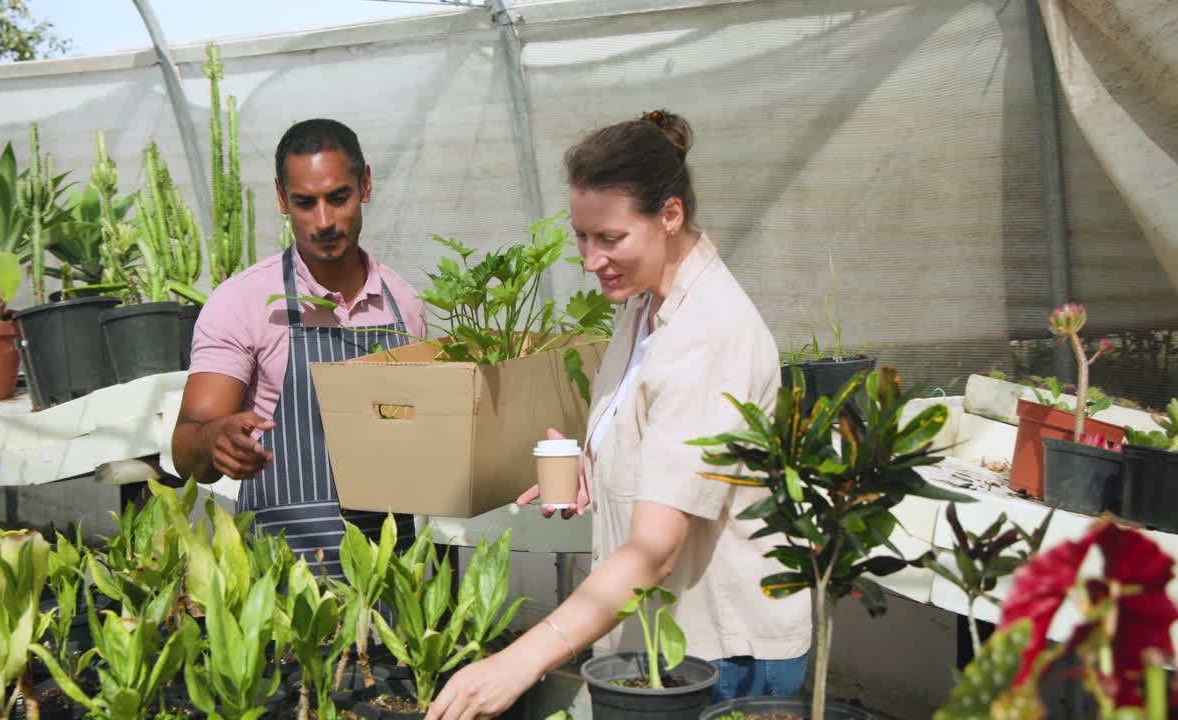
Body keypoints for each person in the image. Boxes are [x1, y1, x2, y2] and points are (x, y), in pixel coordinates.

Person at [425, 110, 811, 720]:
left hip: (724, 658)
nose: (590, 259)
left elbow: (657, 549)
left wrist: (519, 661)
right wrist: (598, 465)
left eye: (610, 238)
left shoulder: (708, 333)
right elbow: (665, 445)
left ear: (671, 215)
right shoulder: (643, 308)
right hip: (667, 642)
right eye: (583, 236)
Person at [171, 118, 426, 575]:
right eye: (305, 203)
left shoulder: (402, 303)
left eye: (338, 198)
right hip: (284, 587)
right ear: (281, 198)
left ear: (365, 184)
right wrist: (216, 440)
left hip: (392, 576)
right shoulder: (242, 302)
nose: (324, 221)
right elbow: (186, 448)